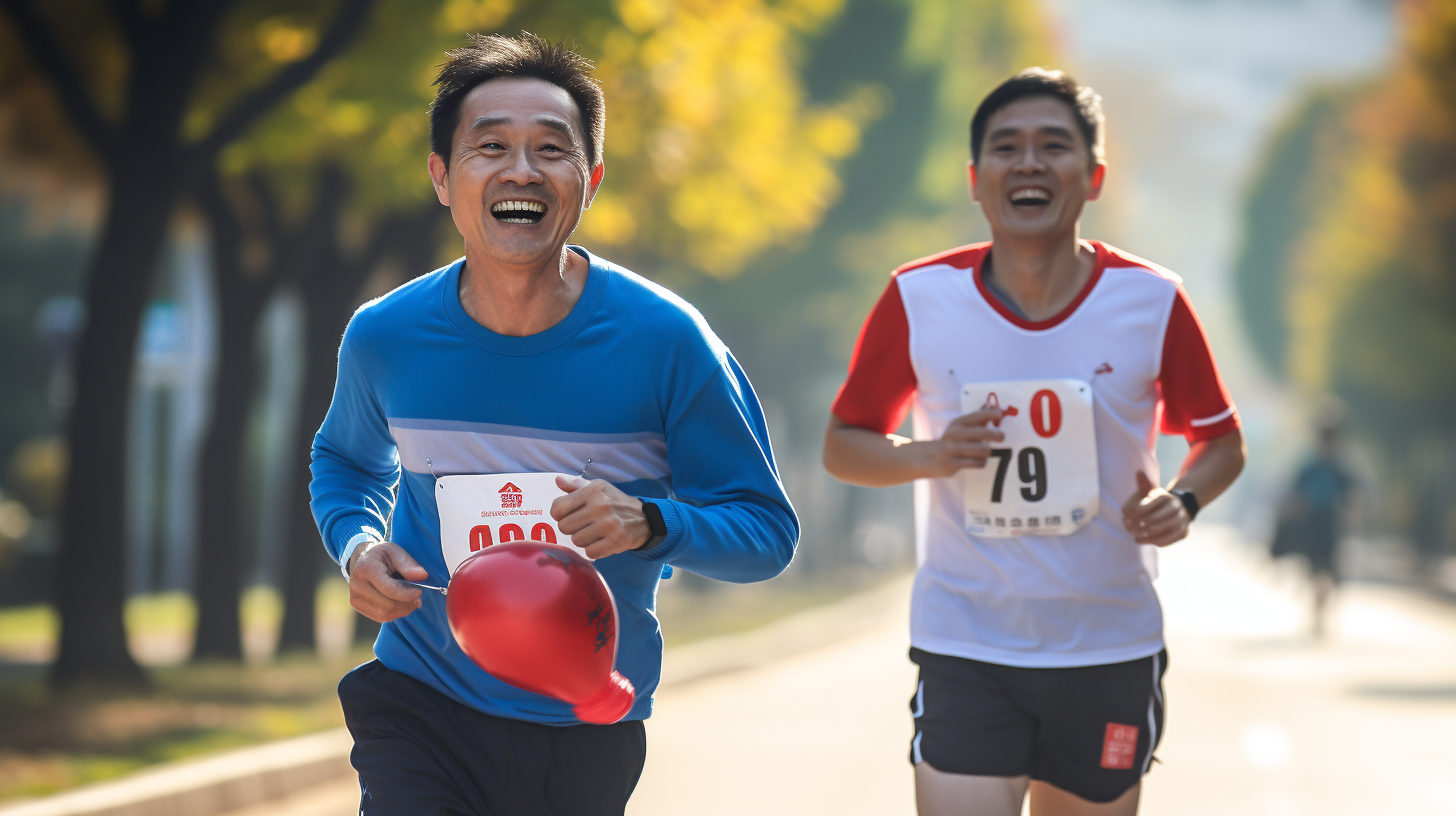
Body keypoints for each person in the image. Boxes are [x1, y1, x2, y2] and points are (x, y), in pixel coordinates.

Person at [309, 33, 798, 816]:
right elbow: (347, 463)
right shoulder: (385, 335)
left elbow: (766, 536)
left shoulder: (669, 342)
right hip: (420, 694)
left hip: (583, 722)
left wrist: (648, 522)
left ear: (591, 180)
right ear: (442, 176)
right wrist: (358, 543)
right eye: (490, 146)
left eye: (551, 149)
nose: (521, 171)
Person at [822, 68, 1246, 816]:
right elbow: (843, 444)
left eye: (1054, 147)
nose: (1028, 164)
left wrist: (1182, 500)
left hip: (1108, 645)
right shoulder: (918, 298)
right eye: (1006, 147)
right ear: (976, 179)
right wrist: (930, 455)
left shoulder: (1152, 301)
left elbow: (1222, 439)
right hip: (967, 642)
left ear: (1094, 177)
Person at [1271, 402, 1355, 639]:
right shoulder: (1320, 465)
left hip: (1327, 524)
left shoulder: (1333, 466)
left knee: (1322, 572)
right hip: (1319, 524)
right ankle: (1317, 616)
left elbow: (1353, 497)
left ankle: (1318, 615)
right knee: (1320, 571)